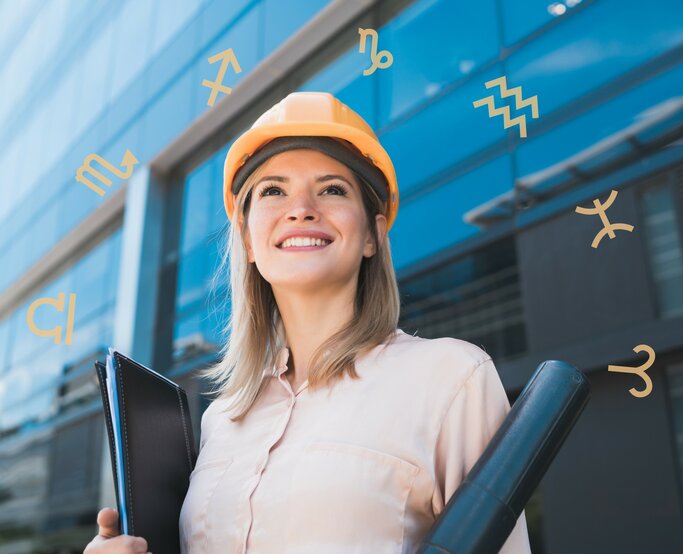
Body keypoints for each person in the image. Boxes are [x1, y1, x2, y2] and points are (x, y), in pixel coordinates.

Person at [84, 92, 531, 553]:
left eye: (332, 189)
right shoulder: (222, 419)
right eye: (273, 190)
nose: (301, 208)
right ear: (249, 239)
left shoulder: (450, 377)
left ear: (373, 235)